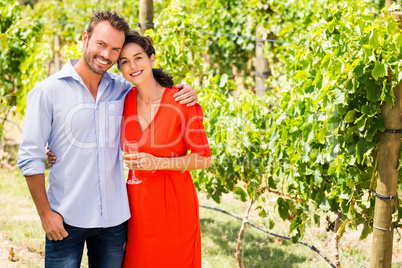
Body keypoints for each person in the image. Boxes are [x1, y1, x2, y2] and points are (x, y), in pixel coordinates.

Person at [17, 10, 198, 268]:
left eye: (115, 49)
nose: (106, 55)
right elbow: (29, 158)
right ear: (85, 39)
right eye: (101, 44)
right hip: (66, 218)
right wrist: (46, 215)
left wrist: (183, 88)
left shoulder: (122, 89)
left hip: (114, 221)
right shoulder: (48, 91)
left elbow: (148, 84)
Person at [118, 32, 211, 267]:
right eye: (124, 61)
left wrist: (157, 163)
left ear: (152, 59)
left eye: (138, 57)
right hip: (136, 208)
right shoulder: (123, 99)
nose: (132, 66)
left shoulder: (182, 102)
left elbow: (204, 158)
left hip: (174, 206)